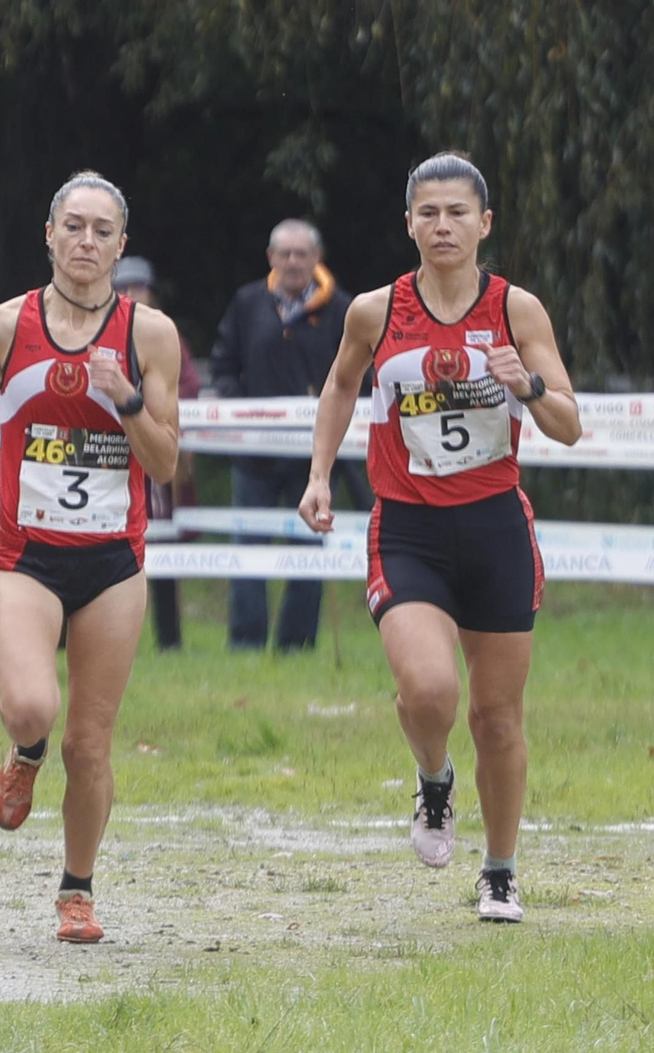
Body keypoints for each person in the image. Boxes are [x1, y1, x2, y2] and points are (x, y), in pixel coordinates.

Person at [299, 152, 580, 923]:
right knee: (428, 689)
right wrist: (319, 474)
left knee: (497, 715)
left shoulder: (517, 309)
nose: (443, 225)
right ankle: (433, 780)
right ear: (410, 224)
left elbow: (569, 423)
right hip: (409, 527)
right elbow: (340, 386)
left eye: (458, 212)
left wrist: (523, 382)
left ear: (484, 224)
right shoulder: (374, 310)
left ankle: (499, 869)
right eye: (429, 212)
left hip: (495, 527)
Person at [0, 171, 180, 942]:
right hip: (28, 554)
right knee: (34, 707)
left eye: (101, 230)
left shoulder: (149, 335)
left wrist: (129, 400)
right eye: (72, 226)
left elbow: (167, 462)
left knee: (91, 742)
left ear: (121, 243)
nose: (85, 242)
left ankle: (77, 890)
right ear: (49, 234)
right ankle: (22, 751)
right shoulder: (3, 326)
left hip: (113, 559)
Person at [211, 219, 368, 651]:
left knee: (308, 552)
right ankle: (245, 642)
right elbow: (223, 364)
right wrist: (243, 408)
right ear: (271, 258)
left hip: (314, 457)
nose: (293, 262)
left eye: (302, 254)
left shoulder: (343, 309)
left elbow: (358, 378)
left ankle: (296, 644)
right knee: (247, 549)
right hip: (255, 454)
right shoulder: (247, 303)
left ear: (317, 259)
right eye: (285, 254)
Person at [112, 256, 200, 651]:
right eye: (123, 287)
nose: (131, 295)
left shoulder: (165, 337)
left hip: (156, 449)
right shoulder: (98, 332)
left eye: (139, 287)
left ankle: (169, 640)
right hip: (109, 453)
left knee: (162, 541)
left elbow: (189, 387)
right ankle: (109, 638)